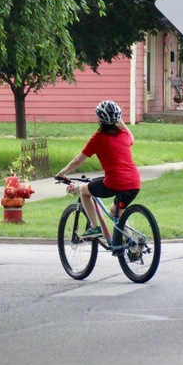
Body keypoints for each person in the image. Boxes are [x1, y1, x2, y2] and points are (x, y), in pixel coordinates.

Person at [55, 100, 141, 252]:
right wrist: (121, 121)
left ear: (99, 119)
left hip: (114, 182)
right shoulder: (124, 134)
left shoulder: (98, 138)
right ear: (117, 118)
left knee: (83, 190)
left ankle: (95, 228)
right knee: (116, 212)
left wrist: (63, 173)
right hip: (134, 183)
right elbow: (132, 137)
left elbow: (78, 160)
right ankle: (133, 244)